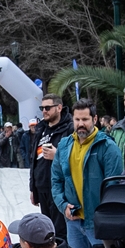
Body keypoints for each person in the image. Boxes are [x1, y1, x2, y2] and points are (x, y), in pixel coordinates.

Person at [52, 102, 124, 248]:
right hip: (73, 221)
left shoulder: (107, 147)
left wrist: (104, 216)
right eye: (77, 119)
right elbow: (56, 181)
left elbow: (114, 186)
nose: (80, 124)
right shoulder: (65, 145)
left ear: (95, 119)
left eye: (85, 119)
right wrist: (63, 205)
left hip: (99, 222)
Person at [30, 95, 72, 238]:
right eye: (42, 108)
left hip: (61, 188)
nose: (44, 111)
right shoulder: (41, 128)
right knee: (48, 231)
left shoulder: (69, 128)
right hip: (42, 186)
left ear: (59, 108)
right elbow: (34, 160)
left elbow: (78, 157)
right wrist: (33, 188)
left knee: (60, 232)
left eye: (47, 108)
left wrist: (58, 155)